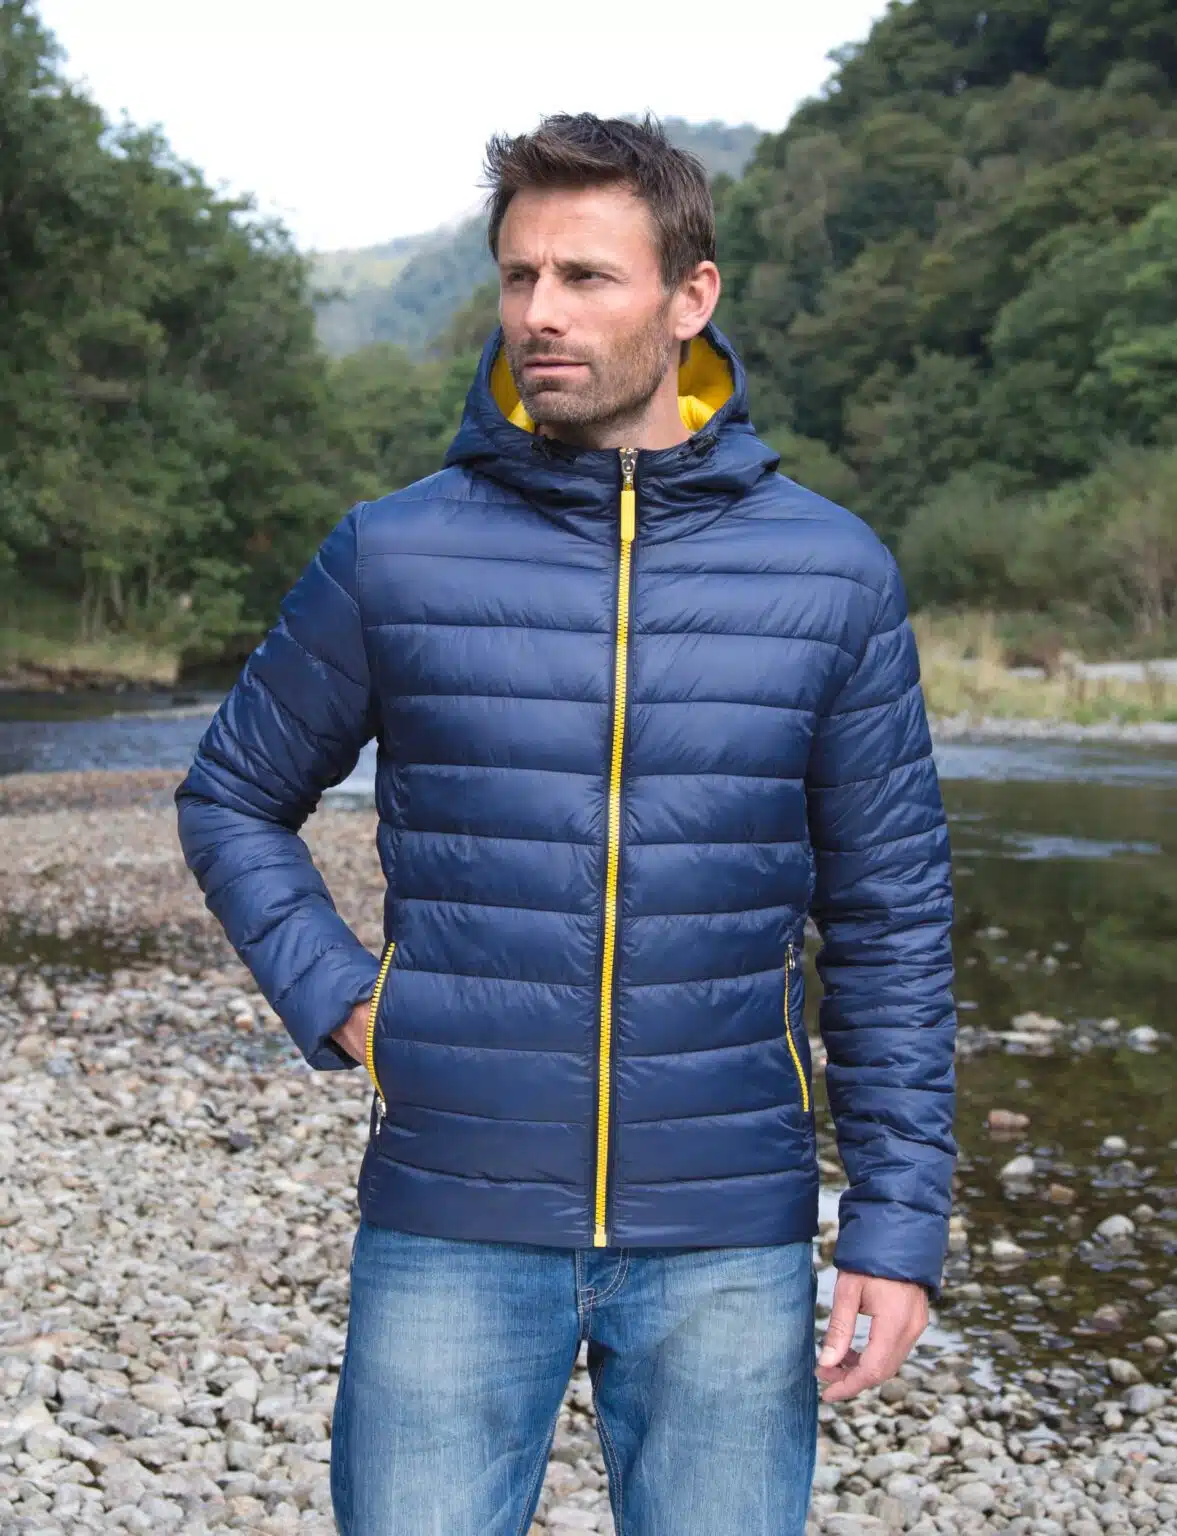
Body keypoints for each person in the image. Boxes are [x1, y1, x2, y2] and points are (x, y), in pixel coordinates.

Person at [176, 113, 956, 1536]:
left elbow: (890, 918)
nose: (542, 311)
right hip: (453, 1215)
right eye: (520, 274)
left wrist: (896, 1228)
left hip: (728, 1233)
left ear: (691, 296)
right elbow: (232, 795)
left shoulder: (832, 572)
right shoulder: (395, 552)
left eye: (587, 276)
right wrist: (345, 1000)